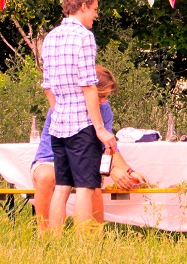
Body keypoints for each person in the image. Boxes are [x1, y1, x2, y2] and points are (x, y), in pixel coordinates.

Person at [31, 65, 148, 231]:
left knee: (92, 184)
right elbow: (79, 146)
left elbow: (107, 145)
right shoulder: (66, 106)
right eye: (101, 96)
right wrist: (110, 169)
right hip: (52, 158)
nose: (103, 101)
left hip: (84, 157)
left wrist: (129, 171)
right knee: (46, 176)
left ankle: (93, 237)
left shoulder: (104, 109)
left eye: (106, 97)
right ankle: (45, 233)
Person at [41, 0, 118, 232]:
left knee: (62, 185)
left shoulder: (50, 37)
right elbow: (88, 85)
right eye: (94, 9)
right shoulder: (84, 37)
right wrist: (99, 128)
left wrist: (60, 110)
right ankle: (83, 244)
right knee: (86, 185)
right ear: (83, 6)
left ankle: (52, 239)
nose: (96, 15)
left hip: (58, 125)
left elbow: (47, 87)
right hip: (81, 125)